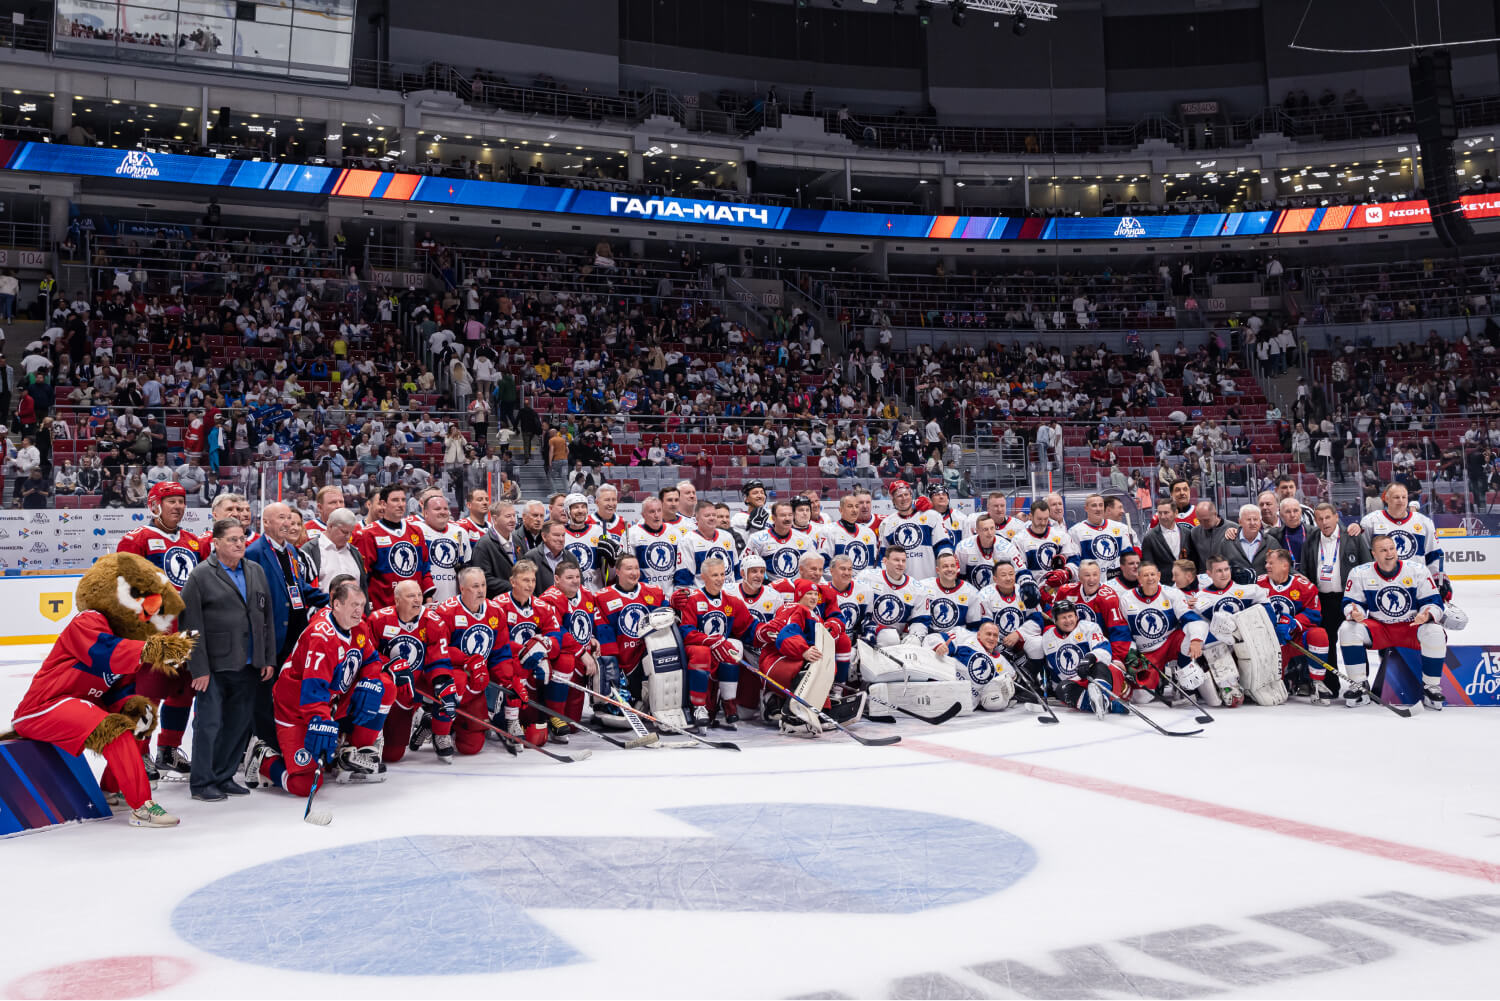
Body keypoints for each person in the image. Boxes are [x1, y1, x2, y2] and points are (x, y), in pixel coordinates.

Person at [243, 578, 391, 792]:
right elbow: (313, 690)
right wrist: (320, 722)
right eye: (353, 605)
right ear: (336, 605)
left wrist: (370, 680)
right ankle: (263, 756)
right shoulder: (322, 635)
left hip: (328, 700)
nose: (359, 611)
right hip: (295, 707)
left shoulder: (359, 627)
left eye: (361, 605)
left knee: (383, 686)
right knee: (305, 785)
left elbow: (371, 660)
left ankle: (350, 752)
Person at [180, 518, 274, 802]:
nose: (239, 543)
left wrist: (266, 657)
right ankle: (202, 782)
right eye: (232, 539)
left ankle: (224, 775)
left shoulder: (255, 571)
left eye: (242, 538)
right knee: (209, 725)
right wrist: (198, 668)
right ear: (216, 543)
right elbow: (190, 625)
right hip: (214, 666)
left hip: (248, 663)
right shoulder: (200, 575)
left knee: (238, 723)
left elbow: (265, 617)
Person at [115, 481, 205, 779]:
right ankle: (140, 754)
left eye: (181, 501)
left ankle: (168, 748)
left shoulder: (193, 542)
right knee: (147, 696)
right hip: (154, 635)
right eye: (171, 501)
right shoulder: (136, 539)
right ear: (154, 505)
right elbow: (125, 590)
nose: (178, 506)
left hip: (187, 634)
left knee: (183, 693)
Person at [245, 501, 331, 745]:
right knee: (263, 696)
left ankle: (284, 740)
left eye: (290, 519)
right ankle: (262, 746)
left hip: (295, 632)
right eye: (281, 518)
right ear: (266, 522)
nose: (287, 523)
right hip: (271, 636)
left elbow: (297, 587)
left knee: (287, 692)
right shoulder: (254, 553)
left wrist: (330, 598)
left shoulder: (291, 551)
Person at [1338, 534, 1447, 710]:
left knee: (1434, 631)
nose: (1389, 553)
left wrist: (1426, 615)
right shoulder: (1359, 573)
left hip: (1411, 626)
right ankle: (1359, 685)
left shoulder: (1417, 570)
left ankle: (1431, 687)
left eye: (1392, 548)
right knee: (1347, 628)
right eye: (1383, 550)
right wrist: (1354, 612)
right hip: (1380, 628)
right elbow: (1349, 603)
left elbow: (1434, 602)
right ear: (1374, 553)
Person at [351, 485, 434, 608]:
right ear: (383, 504)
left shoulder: (416, 531)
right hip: (384, 609)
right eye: (395, 500)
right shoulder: (368, 534)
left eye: (403, 500)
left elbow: (425, 569)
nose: (401, 504)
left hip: (415, 607)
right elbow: (362, 575)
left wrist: (428, 599)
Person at [1300, 501, 1370, 642]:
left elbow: (1367, 567)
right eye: (1320, 519)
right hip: (1323, 600)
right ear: (1316, 521)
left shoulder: (1352, 536)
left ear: (1336, 517)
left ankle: (1358, 665)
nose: (1324, 522)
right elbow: (1304, 570)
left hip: (1349, 599)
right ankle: (1332, 665)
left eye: (1327, 517)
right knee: (1327, 639)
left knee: (1354, 639)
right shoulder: (1310, 540)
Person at [302, 508, 366, 593]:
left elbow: (363, 588)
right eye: (344, 532)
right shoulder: (309, 551)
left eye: (351, 533)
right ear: (330, 526)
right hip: (322, 605)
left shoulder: (355, 552)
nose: (348, 537)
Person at [469, 499, 519, 598]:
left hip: (517, 600)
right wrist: (512, 586)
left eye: (514, 515)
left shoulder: (518, 540)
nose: (513, 520)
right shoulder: (484, 544)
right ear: (495, 519)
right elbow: (483, 578)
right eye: (508, 516)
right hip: (495, 603)